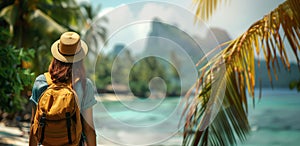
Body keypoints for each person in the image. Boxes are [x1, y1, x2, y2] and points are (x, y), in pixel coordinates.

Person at [29, 31, 97, 146]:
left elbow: (34, 125)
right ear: (80, 59)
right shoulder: (84, 85)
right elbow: (89, 129)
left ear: (56, 56)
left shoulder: (40, 82)